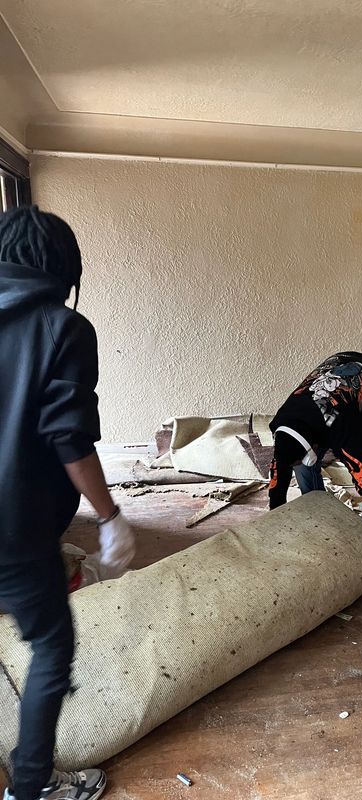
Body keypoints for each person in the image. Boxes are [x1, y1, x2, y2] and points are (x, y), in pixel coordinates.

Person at [0, 207, 136, 800]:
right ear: (63, 268)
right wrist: (110, 517)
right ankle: (31, 787)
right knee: (52, 648)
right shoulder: (63, 327)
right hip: (14, 530)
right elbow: (68, 437)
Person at [268, 352, 362, 605]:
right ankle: (323, 530)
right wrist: (276, 540)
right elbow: (277, 485)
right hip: (332, 406)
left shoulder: (342, 432)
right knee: (303, 470)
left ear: (316, 446)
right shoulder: (282, 424)